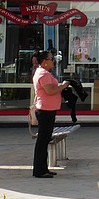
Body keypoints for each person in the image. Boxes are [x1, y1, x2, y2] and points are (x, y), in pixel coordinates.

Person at [30, 48, 62, 178]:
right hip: (44, 110)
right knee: (42, 141)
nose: (53, 60)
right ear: (44, 62)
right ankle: (39, 170)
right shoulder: (42, 74)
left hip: (48, 109)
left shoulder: (43, 72)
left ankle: (44, 168)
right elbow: (50, 90)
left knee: (45, 139)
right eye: (50, 58)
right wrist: (64, 85)